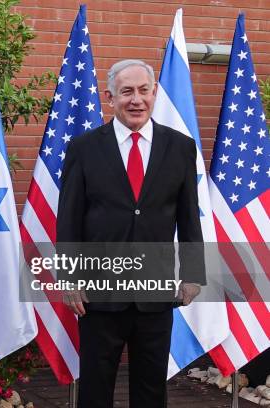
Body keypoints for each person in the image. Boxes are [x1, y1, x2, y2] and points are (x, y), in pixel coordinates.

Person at [56, 59, 205, 407]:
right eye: (126, 92)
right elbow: (69, 219)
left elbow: (188, 217)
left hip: (155, 294)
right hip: (99, 295)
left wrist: (194, 273)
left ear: (154, 93)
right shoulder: (84, 148)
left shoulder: (180, 148)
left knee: (151, 390)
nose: (136, 99)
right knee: (95, 388)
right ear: (110, 97)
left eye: (143, 90)